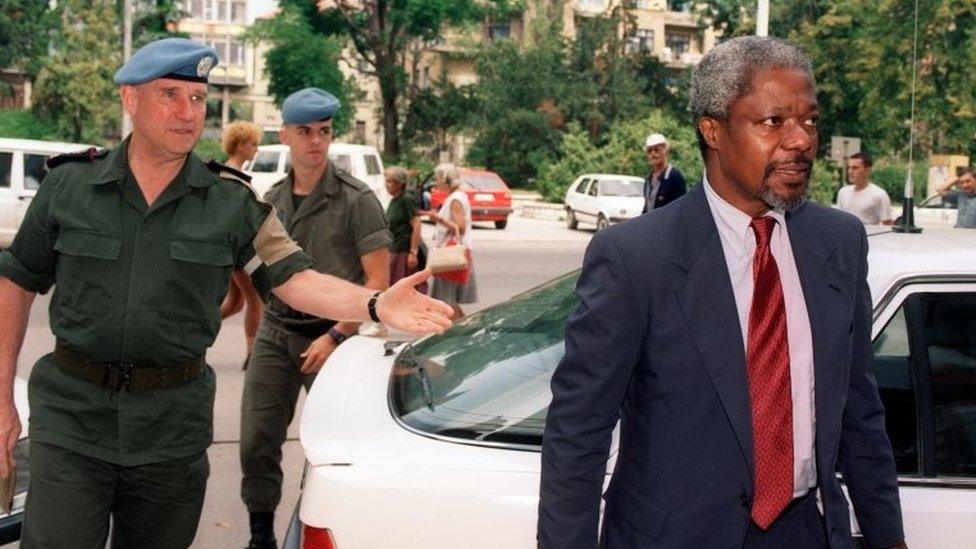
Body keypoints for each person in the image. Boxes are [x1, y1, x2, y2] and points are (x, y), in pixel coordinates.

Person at [0, 38, 451, 549]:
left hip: (170, 429)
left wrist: (375, 303)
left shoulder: (230, 202)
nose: (187, 112)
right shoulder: (69, 188)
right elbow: (16, 279)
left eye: (197, 99)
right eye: (169, 94)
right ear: (130, 99)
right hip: (71, 420)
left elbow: (294, 279)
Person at [539, 36, 907, 549]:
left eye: (810, 121)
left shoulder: (839, 242)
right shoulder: (635, 258)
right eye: (774, 122)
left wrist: (888, 536)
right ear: (712, 129)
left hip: (808, 533)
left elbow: (859, 412)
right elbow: (578, 433)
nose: (801, 141)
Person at [239, 87, 392, 548]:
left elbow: (378, 287)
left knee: (335, 450)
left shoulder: (357, 200)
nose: (316, 141)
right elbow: (260, 273)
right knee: (255, 442)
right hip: (278, 332)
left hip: (336, 341)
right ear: (284, 134)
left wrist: (335, 335)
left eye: (324, 131)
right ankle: (261, 536)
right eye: (305, 132)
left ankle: (327, 529)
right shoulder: (271, 198)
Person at [219, 121, 264, 366]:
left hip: (233, 248)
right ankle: (252, 354)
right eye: (253, 144)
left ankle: (193, 337)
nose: (256, 149)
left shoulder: (229, 173)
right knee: (254, 300)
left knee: (236, 303)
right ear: (241, 145)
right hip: (238, 249)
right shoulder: (232, 176)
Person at [426, 163, 478, 319]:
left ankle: (463, 333)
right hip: (453, 253)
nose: (435, 182)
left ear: (445, 179)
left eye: (437, 179)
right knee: (449, 302)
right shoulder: (458, 197)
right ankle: (466, 330)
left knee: (447, 302)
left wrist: (438, 218)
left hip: (449, 256)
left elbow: (460, 227)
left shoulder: (455, 199)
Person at [385, 166, 426, 292]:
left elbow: (417, 224)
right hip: (394, 248)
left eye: (389, 181)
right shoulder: (395, 200)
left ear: (399, 184)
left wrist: (413, 253)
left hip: (403, 251)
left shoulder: (405, 199)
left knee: (401, 289)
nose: (386, 184)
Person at [836, 151, 893, 225]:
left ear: (868, 170)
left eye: (855, 168)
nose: (850, 172)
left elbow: (887, 224)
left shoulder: (879, 194)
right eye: (849, 168)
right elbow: (839, 220)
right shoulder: (843, 192)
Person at [641, 132, 686, 213]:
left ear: (666, 151)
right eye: (649, 150)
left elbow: (681, 210)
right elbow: (647, 208)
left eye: (656, 149)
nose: (653, 153)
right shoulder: (648, 179)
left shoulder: (675, 177)